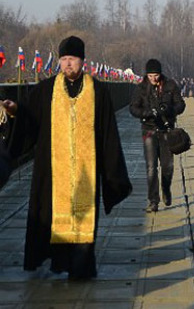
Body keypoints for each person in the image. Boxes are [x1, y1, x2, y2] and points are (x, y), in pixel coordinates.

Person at [0, 36, 132, 280]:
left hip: (86, 171)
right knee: (52, 218)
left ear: (82, 61)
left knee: (83, 219)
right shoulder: (46, 90)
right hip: (53, 170)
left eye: (72, 59)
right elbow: (30, 117)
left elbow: (108, 133)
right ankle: (58, 263)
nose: (67, 64)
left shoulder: (98, 91)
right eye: (63, 60)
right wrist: (15, 110)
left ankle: (80, 268)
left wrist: (112, 171)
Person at [129, 59, 185, 212]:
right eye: (150, 75)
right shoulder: (141, 88)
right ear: (147, 75)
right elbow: (133, 108)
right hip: (149, 130)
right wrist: (146, 113)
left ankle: (166, 188)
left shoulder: (170, 85)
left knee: (168, 167)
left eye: (156, 75)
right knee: (151, 167)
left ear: (160, 74)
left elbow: (181, 104)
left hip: (166, 131)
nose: (153, 78)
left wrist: (170, 109)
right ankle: (153, 200)